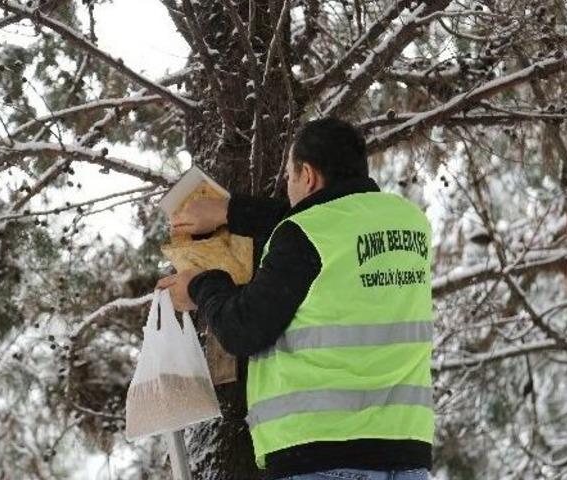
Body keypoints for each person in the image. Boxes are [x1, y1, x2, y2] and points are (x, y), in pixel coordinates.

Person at [156, 118, 434, 480]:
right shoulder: (411, 223)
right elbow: (327, 225)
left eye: (289, 176)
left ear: (308, 175)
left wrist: (199, 285)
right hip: (407, 455)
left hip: (322, 455)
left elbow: (243, 328)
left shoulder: (305, 234)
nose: (287, 187)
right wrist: (230, 212)